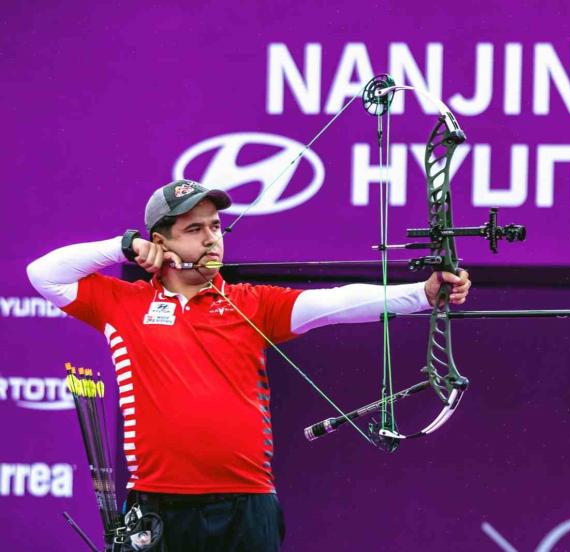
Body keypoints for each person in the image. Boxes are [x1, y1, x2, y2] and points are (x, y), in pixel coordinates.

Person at [26, 179, 471, 551]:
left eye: (215, 226)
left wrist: (422, 294)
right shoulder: (123, 304)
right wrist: (123, 247)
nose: (211, 238)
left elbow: (335, 304)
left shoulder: (252, 303)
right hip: (158, 506)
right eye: (193, 228)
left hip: (247, 504)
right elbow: (44, 274)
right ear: (159, 243)